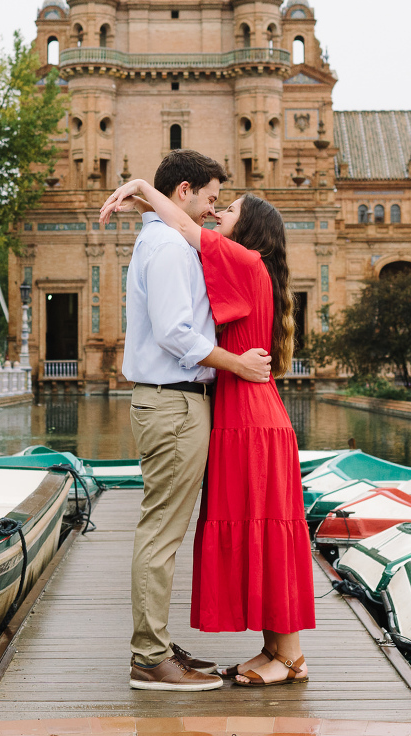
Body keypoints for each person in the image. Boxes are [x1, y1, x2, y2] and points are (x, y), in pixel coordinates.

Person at [102, 175, 316, 688]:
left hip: (250, 419)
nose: (219, 212)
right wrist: (146, 207)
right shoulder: (238, 266)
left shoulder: (246, 261)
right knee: (256, 531)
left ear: (252, 229)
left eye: (231, 209)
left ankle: (289, 657)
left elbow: (181, 221)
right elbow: (178, 232)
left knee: (267, 532)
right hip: (240, 414)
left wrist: (139, 189)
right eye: (218, 202)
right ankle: (273, 651)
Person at [118, 150, 272, 692]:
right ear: (184, 190)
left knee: (165, 530)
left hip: (178, 401)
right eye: (210, 198)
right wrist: (238, 364)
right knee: (161, 532)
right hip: (174, 402)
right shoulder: (165, 248)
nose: (212, 211)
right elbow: (175, 334)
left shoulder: (171, 241)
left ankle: (157, 644)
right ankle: (149, 657)